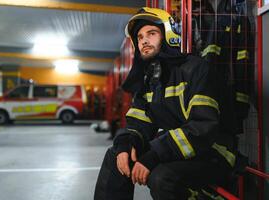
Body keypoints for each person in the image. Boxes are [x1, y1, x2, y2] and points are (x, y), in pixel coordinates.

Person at [94, 7, 236, 200]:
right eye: (140, 37)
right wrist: (127, 143)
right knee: (117, 156)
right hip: (179, 151)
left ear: (168, 35)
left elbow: (202, 128)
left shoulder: (196, 69)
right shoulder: (150, 80)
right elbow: (138, 124)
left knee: (161, 178)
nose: (144, 40)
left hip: (213, 152)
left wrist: (154, 155)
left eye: (151, 33)